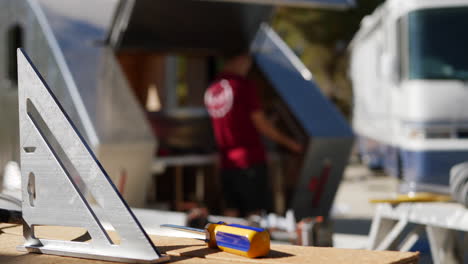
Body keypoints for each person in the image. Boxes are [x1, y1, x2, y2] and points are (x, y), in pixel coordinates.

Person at [204, 52, 302, 217]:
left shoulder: (212, 89)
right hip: (249, 159)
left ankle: (228, 243)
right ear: (240, 58)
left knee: (230, 214)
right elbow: (262, 125)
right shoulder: (242, 85)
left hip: (226, 161)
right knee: (253, 217)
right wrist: (291, 144)